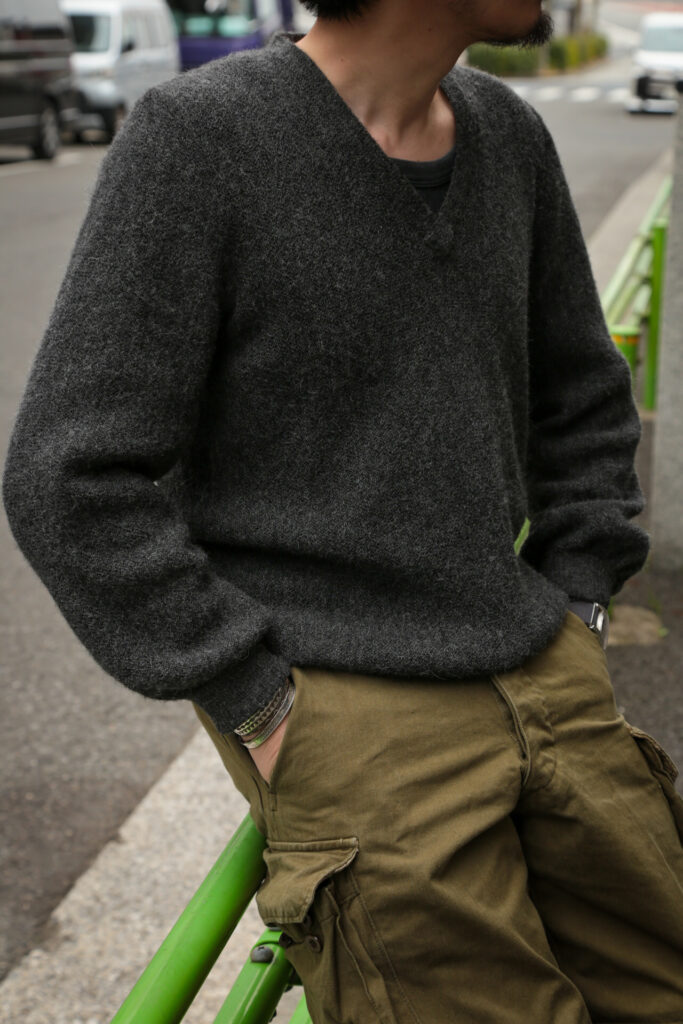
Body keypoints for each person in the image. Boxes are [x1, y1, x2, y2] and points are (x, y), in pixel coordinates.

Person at [3, 0, 683, 1019]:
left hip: (542, 664)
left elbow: (582, 396)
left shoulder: (508, 133)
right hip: (345, 709)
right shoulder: (200, 138)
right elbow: (71, 474)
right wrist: (257, 701)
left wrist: (581, 599)